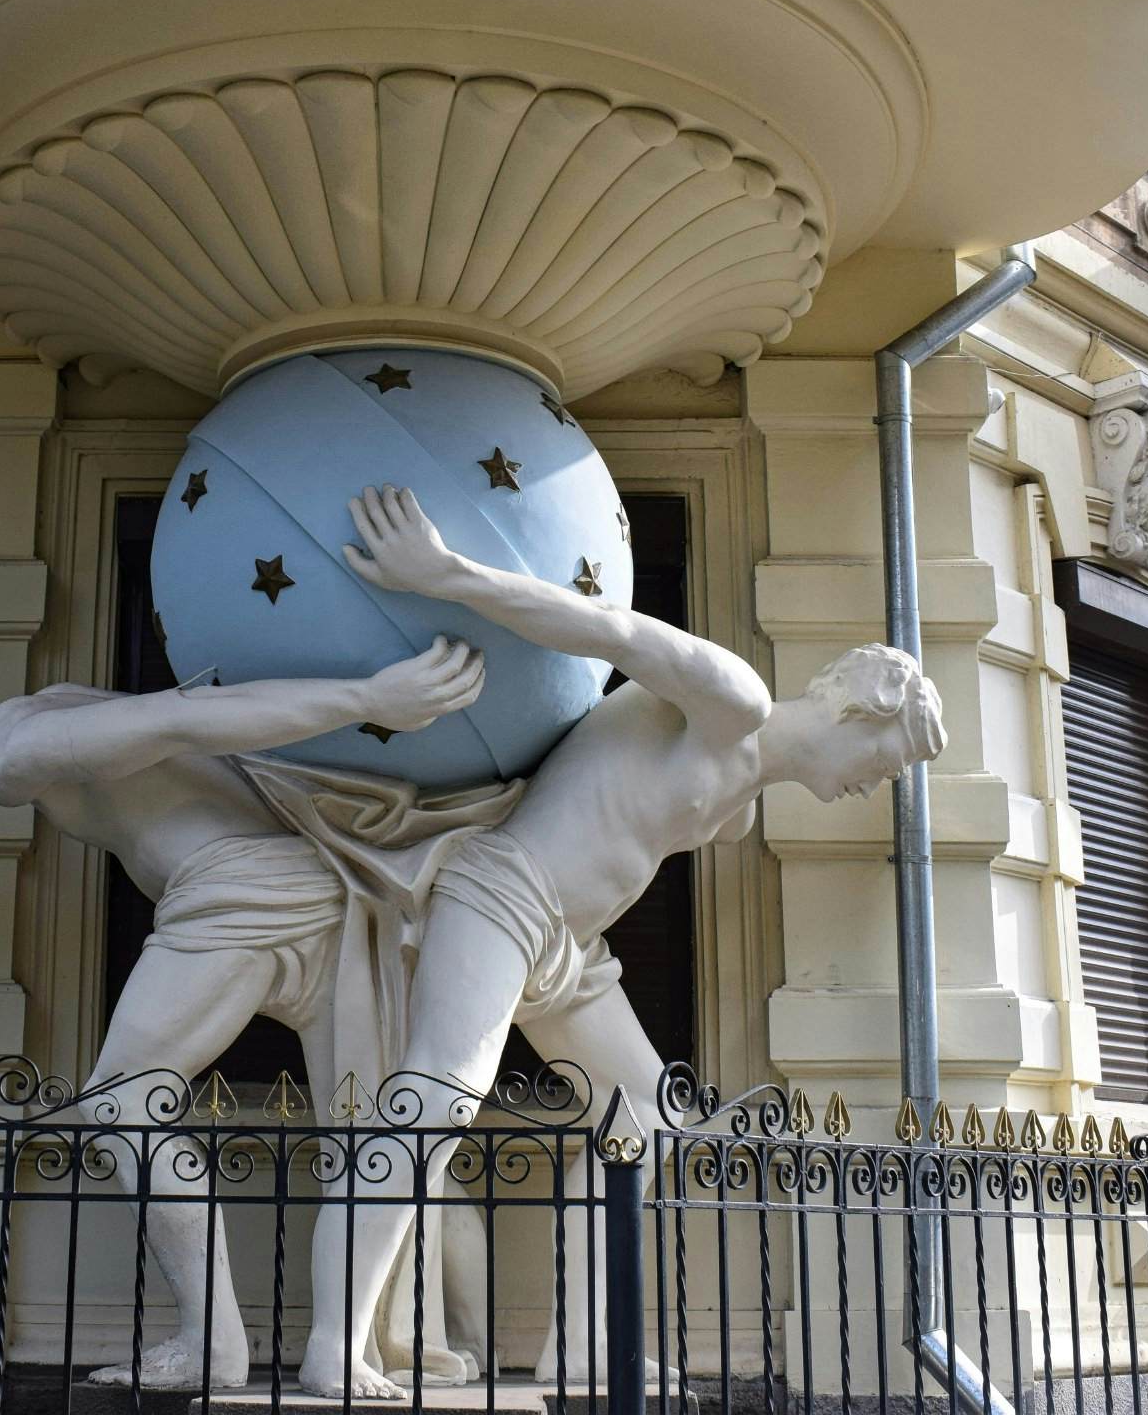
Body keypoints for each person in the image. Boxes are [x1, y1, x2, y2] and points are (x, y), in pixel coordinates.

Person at [298, 486, 947, 1399]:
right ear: (856, 715)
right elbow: (601, 628)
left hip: (571, 948)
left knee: (641, 1123)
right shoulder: (734, 700)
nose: (865, 787)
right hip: (505, 898)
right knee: (430, 1109)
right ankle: (334, 1347)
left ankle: (584, 1347)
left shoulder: (741, 798)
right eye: (881, 765)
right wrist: (445, 573)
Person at [0, 639, 490, 1389]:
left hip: (236, 895)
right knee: (376, 1131)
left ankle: (215, 1344)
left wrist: (374, 698)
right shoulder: (48, 702)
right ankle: (373, 1346)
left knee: (121, 1101)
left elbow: (191, 718)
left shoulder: (14, 752)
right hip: (306, 886)